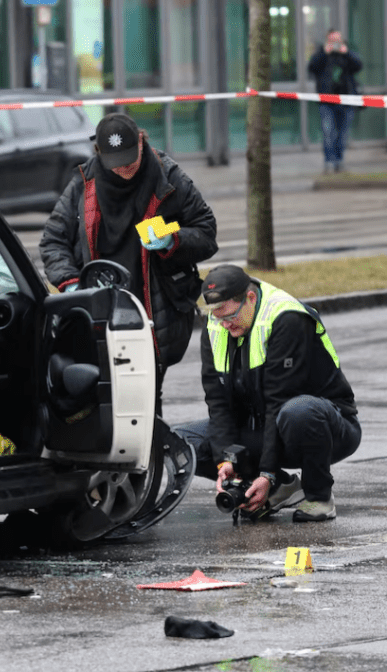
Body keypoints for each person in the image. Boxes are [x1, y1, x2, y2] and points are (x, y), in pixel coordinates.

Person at [39, 112, 218, 413]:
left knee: (147, 396)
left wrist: (172, 239)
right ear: (99, 154)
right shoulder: (84, 183)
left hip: (155, 308)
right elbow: (52, 241)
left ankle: (151, 457)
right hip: (102, 308)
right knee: (105, 397)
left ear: (141, 142)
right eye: (116, 162)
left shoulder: (168, 176)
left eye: (130, 159)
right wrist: (72, 284)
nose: (124, 169)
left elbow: (207, 232)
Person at [183, 264, 361, 522]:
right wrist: (225, 461)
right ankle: (279, 489)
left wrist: (266, 473)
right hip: (265, 427)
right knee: (181, 442)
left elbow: (278, 403)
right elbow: (217, 402)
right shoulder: (217, 325)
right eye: (217, 317)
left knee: (298, 411)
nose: (224, 325)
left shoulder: (286, 319)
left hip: (326, 427)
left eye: (230, 316)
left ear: (250, 299)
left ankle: (318, 496)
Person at [307, 29, 363, 174]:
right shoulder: (321, 54)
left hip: (347, 101)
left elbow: (358, 66)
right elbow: (312, 68)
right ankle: (329, 161)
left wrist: (347, 53)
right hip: (327, 102)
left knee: (343, 134)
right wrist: (324, 53)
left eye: (338, 40)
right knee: (328, 132)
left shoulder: (347, 53)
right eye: (332, 40)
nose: (335, 43)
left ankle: (339, 160)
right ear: (327, 40)